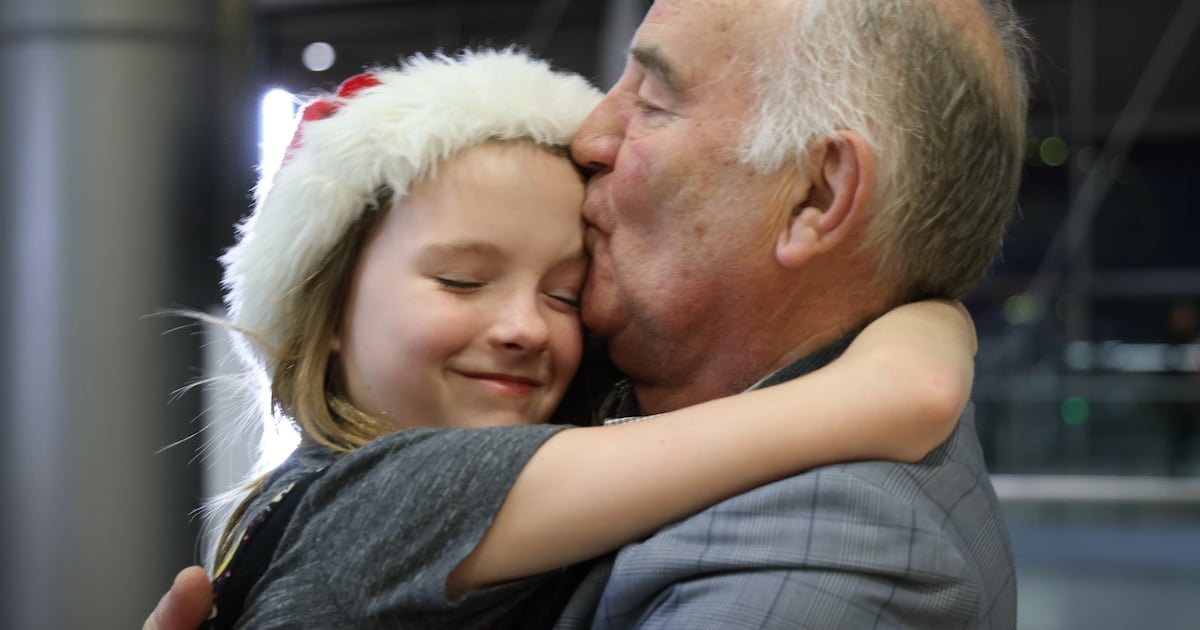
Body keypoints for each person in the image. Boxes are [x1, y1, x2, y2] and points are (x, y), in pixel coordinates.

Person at [151, 0, 1032, 626]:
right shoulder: (403, 488)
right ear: (331, 310)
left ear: (818, 194)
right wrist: (918, 351)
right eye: (462, 280)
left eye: (651, 101)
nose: (591, 135)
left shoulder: (830, 564)